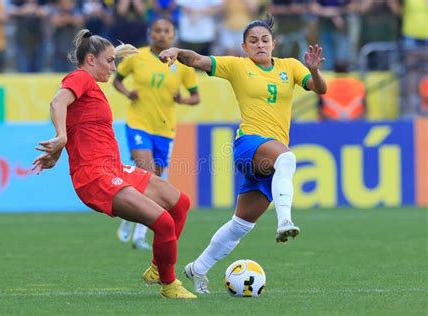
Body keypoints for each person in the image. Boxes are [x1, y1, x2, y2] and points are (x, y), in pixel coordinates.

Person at [158, 15, 327, 294]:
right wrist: (177, 51)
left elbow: (320, 90)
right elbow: (198, 60)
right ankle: (285, 220)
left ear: (274, 43)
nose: (260, 45)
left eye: (264, 40)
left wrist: (315, 71)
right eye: (253, 41)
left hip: (268, 158)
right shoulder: (237, 66)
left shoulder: (291, 67)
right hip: (249, 144)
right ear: (244, 46)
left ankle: (197, 268)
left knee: (241, 225)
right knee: (287, 159)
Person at [32, 29, 196, 299]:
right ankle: (169, 284)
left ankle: (158, 266)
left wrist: (61, 146)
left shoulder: (91, 85)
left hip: (114, 169)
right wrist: (60, 137)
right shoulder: (80, 77)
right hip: (95, 177)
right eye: (109, 61)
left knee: (180, 204)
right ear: (91, 60)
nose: (114, 67)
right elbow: (57, 101)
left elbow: (76, 127)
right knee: (163, 222)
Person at [113, 17, 200, 250]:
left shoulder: (181, 64)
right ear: (151, 33)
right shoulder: (137, 57)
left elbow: (195, 96)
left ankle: (126, 217)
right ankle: (140, 235)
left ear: (173, 35)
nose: (162, 35)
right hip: (138, 123)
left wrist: (182, 99)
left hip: (164, 129)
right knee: (147, 172)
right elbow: (117, 80)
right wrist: (128, 93)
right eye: (158, 31)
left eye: (167, 31)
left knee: (154, 181)